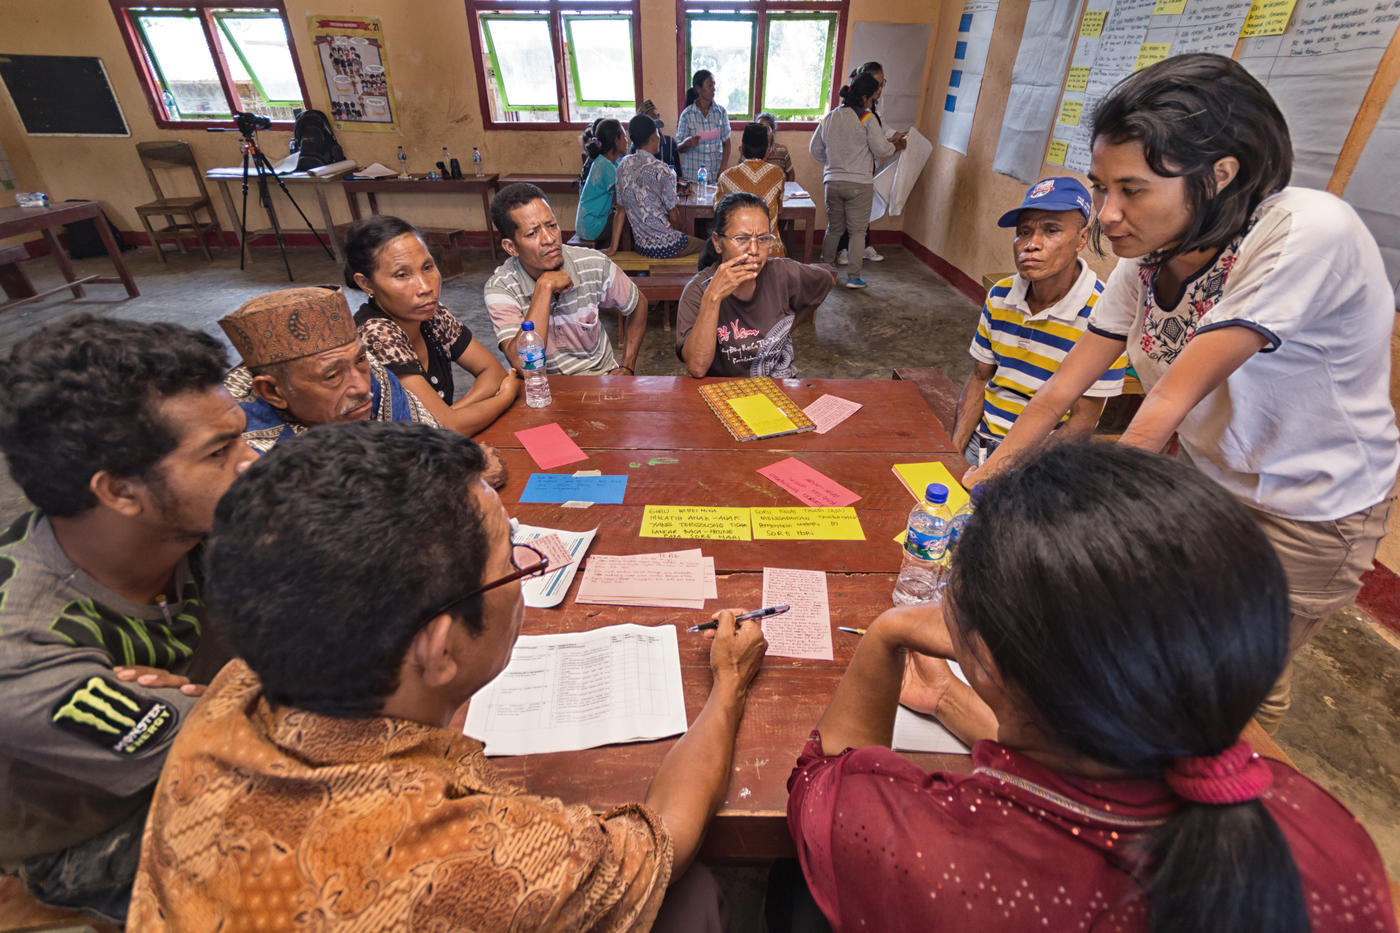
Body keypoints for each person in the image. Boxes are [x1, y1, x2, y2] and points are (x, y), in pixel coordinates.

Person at [129, 421, 769, 931]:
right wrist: (731, 682)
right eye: (510, 564)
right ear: (436, 650)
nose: (523, 579)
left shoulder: (228, 695)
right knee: (693, 898)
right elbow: (667, 841)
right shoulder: (491, 856)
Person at [787, 442, 1397, 932]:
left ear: (991, 660)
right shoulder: (1330, 834)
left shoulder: (928, 852)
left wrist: (886, 633)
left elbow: (825, 783)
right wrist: (949, 697)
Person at [964, 53, 1400, 733]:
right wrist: (983, 483)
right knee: (1174, 647)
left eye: (1132, 190)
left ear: (1220, 173)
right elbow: (1056, 393)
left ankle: (1235, 805)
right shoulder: (1151, 260)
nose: (1109, 215)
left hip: (1310, 505)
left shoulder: (1306, 231)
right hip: (1211, 475)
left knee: (1238, 679)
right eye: (1104, 189)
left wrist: (1076, 529)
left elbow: (1163, 405)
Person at [0, 315, 257, 925]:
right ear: (119, 492)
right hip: (92, 835)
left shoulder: (196, 516)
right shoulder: (22, 645)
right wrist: (230, 704)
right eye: (220, 452)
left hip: (212, 747)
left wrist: (218, 698)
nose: (252, 463)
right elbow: (236, 752)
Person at [952, 177, 1127, 466]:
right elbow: (980, 379)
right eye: (1023, 232)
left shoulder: (1104, 313)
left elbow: (1082, 422)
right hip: (981, 443)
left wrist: (1005, 471)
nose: (1031, 245)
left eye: (1051, 230)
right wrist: (951, 455)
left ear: (1082, 238)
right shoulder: (1000, 296)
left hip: (1042, 460)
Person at [344, 214, 521, 435]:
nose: (425, 287)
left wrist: (451, 415)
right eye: (402, 275)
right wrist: (505, 397)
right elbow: (451, 426)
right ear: (366, 283)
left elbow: (493, 373)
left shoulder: (431, 314)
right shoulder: (376, 333)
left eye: (427, 267)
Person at [219, 285, 437, 454]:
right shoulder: (241, 448)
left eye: (359, 360)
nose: (362, 387)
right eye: (332, 376)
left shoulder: (366, 367)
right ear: (272, 392)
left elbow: (431, 447)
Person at [487, 182, 647, 376]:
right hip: (542, 389)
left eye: (552, 225)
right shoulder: (501, 288)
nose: (549, 238)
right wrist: (544, 287)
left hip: (600, 381)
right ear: (510, 247)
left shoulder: (592, 263)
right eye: (532, 233)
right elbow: (526, 368)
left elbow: (638, 304)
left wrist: (627, 367)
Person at [677, 192, 833, 378]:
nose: (754, 250)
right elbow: (697, 367)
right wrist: (713, 297)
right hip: (726, 394)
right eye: (741, 239)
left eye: (762, 239)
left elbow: (826, 280)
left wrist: (786, 329)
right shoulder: (698, 290)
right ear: (718, 244)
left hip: (779, 391)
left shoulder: (782, 274)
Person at [810, 72, 906, 289]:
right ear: (865, 97)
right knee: (857, 232)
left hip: (832, 182)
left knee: (834, 228)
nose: (872, 103)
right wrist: (896, 146)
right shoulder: (866, 118)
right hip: (859, 184)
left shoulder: (830, 117)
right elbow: (881, 149)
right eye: (873, 99)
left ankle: (825, 270)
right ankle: (853, 277)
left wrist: (834, 161)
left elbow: (814, 149)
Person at [833, 62, 904, 266]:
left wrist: (892, 136)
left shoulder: (872, 108)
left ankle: (862, 246)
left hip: (862, 169)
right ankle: (844, 251)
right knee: (847, 214)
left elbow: (880, 129)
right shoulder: (856, 111)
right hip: (851, 170)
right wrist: (893, 146)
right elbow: (878, 143)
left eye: (883, 84)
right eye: (877, 85)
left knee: (862, 211)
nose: (880, 89)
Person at [616, 113, 706, 259]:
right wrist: (680, 235)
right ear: (652, 138)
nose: (660, 137)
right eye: (657, 133)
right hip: (666, 246)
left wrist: (613, 249)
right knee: (709, 248)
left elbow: (619, 211)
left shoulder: (623, 165)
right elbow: (674, 216)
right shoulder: (661, 169)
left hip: (641, 247)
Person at [716, 123, 787, 258]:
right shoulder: (778, 174)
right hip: (771, 253)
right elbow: (780, 209)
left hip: (738, 253)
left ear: (741, 150)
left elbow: (718, 210)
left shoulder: (725, 177)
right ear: (767, 151)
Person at [575, 118, 628, 254]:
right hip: (591, 225)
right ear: (615, 140)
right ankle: (624, 259)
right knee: (629, 218)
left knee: (625, 214)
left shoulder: (610, 163)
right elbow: (626, 195)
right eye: (623, 136)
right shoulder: (604, 166)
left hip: (591, 221)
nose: (627, 141)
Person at [677, 69, 730, 182]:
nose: (713, 89)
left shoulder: (721, 112)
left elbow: (727, 144)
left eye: (714, 85)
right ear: (698, 88)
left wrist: (722, 169)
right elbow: (678, 147)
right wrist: (686, 143)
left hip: (714, 174)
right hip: (693, 176)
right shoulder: (687, 114)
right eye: (709, 85)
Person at [639, 98, 683, 175]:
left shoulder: (670, 142)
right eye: (650, 118)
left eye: (657, 115)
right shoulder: (637, 145)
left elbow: (678, 173)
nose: (656, 119)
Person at [756, 112, 795, 182]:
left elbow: (791, 174)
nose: (762, 132)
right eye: (759, 129)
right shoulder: (749, 151)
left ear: (773, 131)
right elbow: (742, 174)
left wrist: (786, 190)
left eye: (766, 129)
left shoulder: (782, 151)